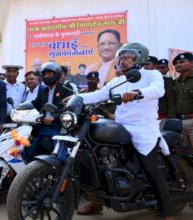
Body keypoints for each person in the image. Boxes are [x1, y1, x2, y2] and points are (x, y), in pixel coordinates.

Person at [72, 42, 174, 220]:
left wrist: (137, 92)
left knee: (150, 168)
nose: (122, 61)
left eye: (127, 57)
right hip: (121, 124)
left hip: (143, 126)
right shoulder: (118, 80)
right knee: (95, 158)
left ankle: (167, 211)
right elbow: (98, 95)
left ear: (139, 59)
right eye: (121, 58)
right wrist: (76, 97)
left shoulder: (152, 74)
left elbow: (158, 90)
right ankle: (97, 201)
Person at [25, 62, 73, 162]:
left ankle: (63, 172)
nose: (46, 76)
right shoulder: (44, 91)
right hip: (43, 126)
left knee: (60, 153)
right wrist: (21, 108)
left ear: (57, 74)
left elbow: (68, 109)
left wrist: (54, 117)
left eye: (49, 74)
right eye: (45, 74)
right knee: (29, 149)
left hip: (58, 127)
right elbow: (35, 104)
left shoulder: (66, 89)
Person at [173, 52, 193, 150]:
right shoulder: (175, 82)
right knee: (185, 156)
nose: (178, 65)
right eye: (176, 63)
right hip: (180, 123)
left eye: (182, 62)